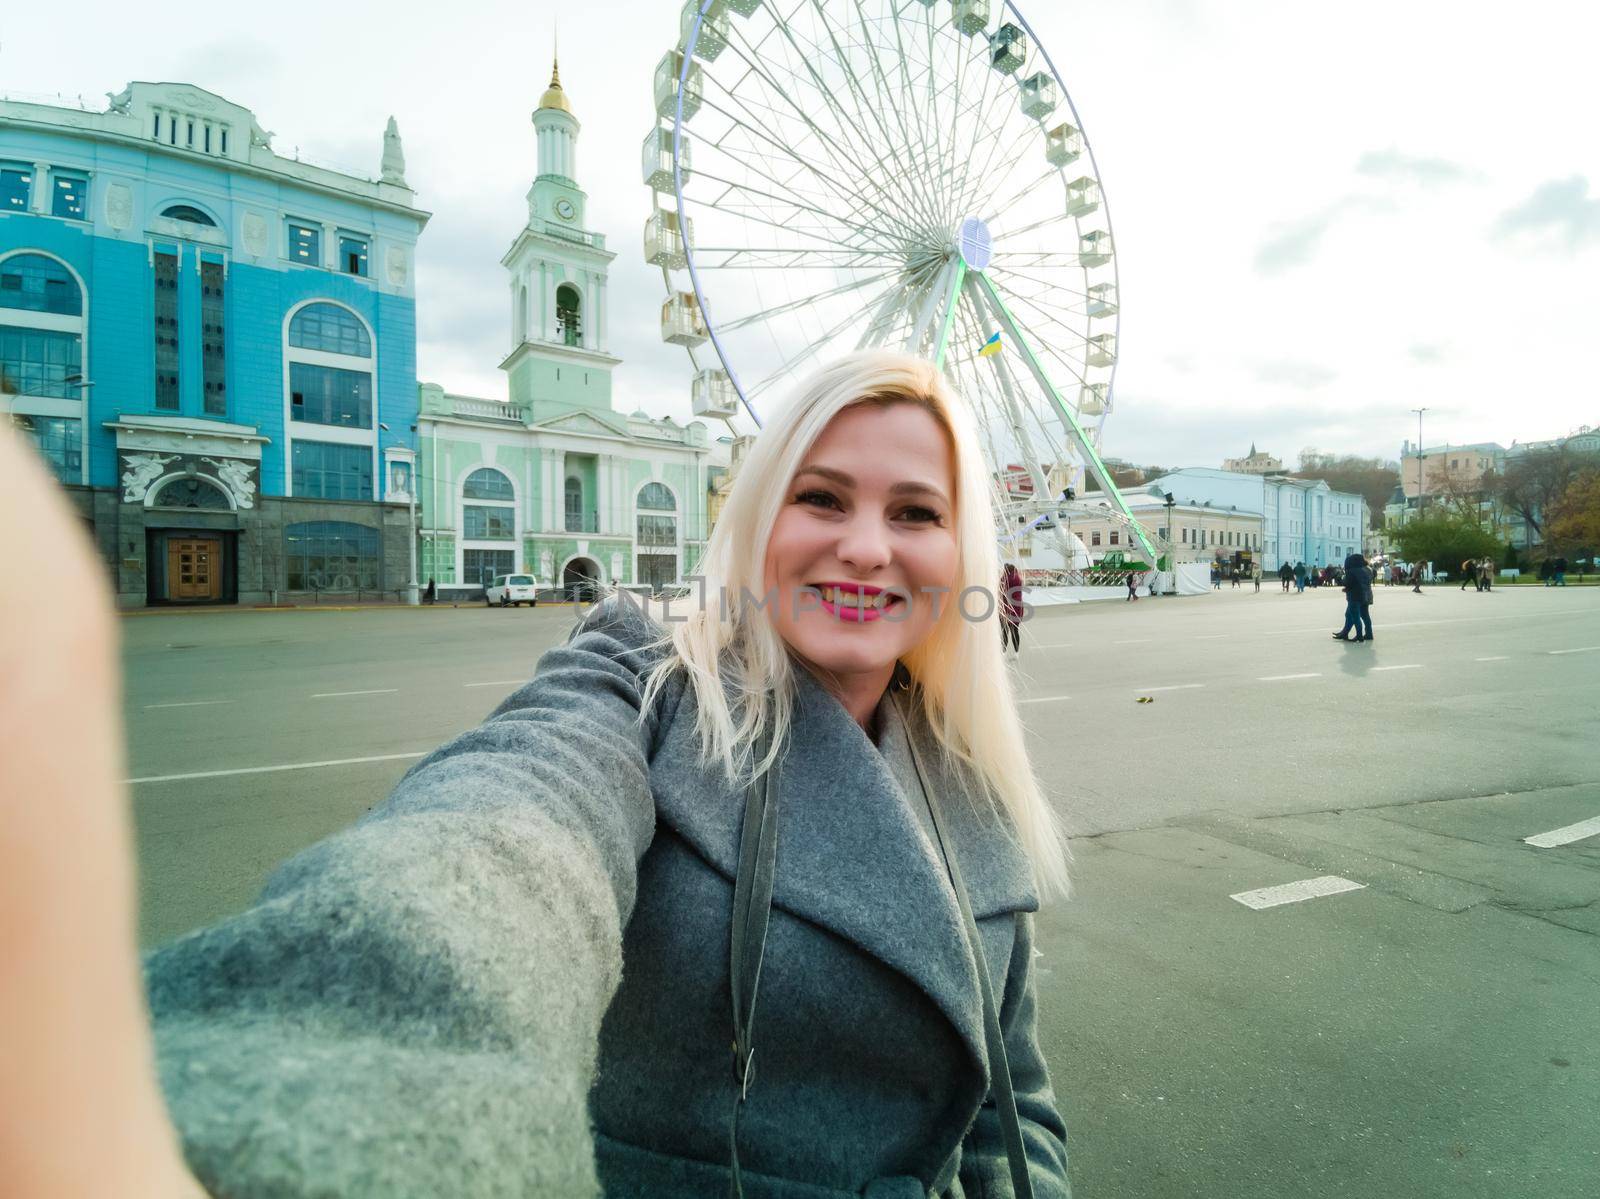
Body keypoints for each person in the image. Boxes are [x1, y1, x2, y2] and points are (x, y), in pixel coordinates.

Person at [0, 354, 1073, 1198]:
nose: (868, 547)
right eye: (823, 497)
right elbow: (504, 839)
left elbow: (1007, 1103)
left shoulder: (968, 772)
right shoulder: (643, 681)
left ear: (961, 549)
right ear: (755, 520)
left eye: (916, 513)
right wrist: (341, 1070)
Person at [1333, 552, 1375, 642]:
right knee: (1365, 616)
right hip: (1366, 594)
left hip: (1356, 595)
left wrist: (1344, 582)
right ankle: (1368, 633)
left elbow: (1348, 582)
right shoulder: (1368, 569)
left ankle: (1356, 635)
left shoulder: (1354, 570)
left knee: (1353, 615)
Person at [1001, 560, 1026, 645]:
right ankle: (1016, 652)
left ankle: (1004, 651)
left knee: (1004, 631)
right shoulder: (1018, 578)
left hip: (1006, 608)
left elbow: (1001, 591)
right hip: (1018, 608)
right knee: (1015, 631)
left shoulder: (1005, 579)